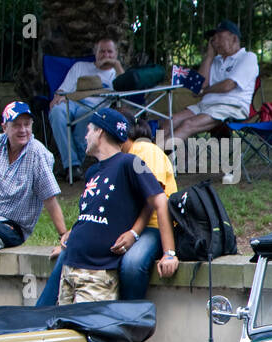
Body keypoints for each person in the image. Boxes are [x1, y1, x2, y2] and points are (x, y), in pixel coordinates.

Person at [37, 119, 179, 305]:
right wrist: (78, 233)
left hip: (154, 225)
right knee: (69, 251)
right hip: (128, 224)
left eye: (89, 130)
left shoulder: (143, 151)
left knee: (132, 263)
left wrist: (141, 237)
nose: (85, 135)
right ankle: (40, 315)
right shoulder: (103, 168)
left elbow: (153, 201)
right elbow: (102, 206)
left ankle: (128, 318)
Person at [0, 101, 67, 259]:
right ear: (4, 128)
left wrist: (63, 235)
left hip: (8, 227)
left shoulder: (37, 153)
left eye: (27, 125)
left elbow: (50, 198)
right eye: (16, 125)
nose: (23, 130)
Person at [162, 20, 258, 143]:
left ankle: (153, 157)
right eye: (213, 38)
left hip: (230, 107)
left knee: (188, 124)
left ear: (234, 38)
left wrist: (204, 91)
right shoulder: (215, 60)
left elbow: (228, 85)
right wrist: (209, 56)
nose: (214, 42)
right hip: (206, 106)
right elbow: (200, 85)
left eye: (219, 37)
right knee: (171, 120)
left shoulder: (248, 57)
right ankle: (158, 153)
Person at [47, 37, 123, 174]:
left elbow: (126, 91)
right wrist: (57, 97)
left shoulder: (115, 74)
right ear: (95, 52)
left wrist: (116, 65)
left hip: (95, 108)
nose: (106, 55)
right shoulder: (80, 66)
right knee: (57, 112)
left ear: (116, 53)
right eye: (102, 51)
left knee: (85, 115)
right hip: (72, 102)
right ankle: (72, 165)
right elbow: (63, 90)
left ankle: (73, 166)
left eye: (110, 52)